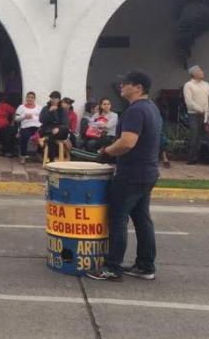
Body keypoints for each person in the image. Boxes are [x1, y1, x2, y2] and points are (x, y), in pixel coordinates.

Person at [86, 70, 161, 282]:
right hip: (148, 172)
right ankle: (145, 265)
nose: (121, 86)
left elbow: (128, 142)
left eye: (125, 83)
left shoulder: (135, 110)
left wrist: (107, 152)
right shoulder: (151, 108)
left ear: (138, 88)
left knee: (117, 218)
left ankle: (112, 267)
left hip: (131, 174)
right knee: (142, 219)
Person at [183, 65, 209, 165]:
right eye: (200, 71)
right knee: (195, 136)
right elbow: (189, 102)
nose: (202, 72)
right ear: (193, 74)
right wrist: (201, 110)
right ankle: (192, 158)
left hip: (207, 114)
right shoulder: (188, 85)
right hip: (194, 114)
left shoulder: (206, 84)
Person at [38, 91, 69, 161]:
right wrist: (49, 111)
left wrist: (58, 128)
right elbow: (41, 120)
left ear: (59, 100)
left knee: (61, 131)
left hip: (59, 131)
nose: (53, 100)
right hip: (48, 130)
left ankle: (45, 139)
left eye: (55, 98)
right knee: (51, 136)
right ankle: (51, 159)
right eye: (51, 98)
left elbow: (65, 124)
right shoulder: (46, 108)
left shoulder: (62, 110)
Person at [14, 91, 42, 163]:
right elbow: (16, 119)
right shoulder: (21, 107)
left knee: (43, 136)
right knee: (24, 136)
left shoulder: (39, 108)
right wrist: (24, 116)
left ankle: (39, 153)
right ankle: (23, 156)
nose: (30, 99)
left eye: (32, 97)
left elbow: (43, 118)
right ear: (26, 98)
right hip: (26, 127)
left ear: (34, 99)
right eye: (28, 97)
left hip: (38, 127)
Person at [0, 93, 17, 157]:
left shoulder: (5, 106)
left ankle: (8, 151)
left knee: (9, 131)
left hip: (4, 126)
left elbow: (14, 112)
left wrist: (12, 122)